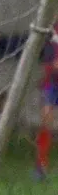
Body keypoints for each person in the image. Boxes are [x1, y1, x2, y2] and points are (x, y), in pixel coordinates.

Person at [35, 21, 58, 180]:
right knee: (46, 122)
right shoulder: (52, 30)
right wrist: (52, 65)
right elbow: (46, 57)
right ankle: (41, 166)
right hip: (52, 83)